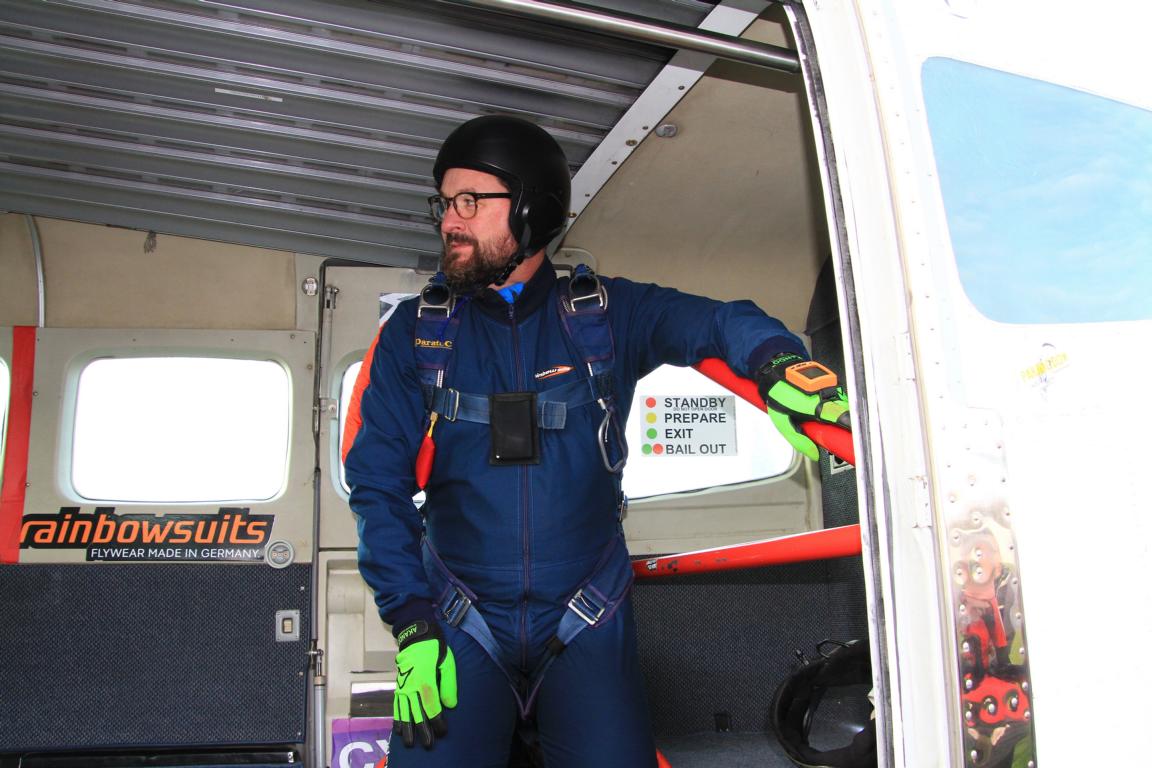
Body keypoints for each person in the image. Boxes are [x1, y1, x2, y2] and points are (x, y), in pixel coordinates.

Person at [344, 115, 850, 768]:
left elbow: (722, 322)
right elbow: (377, 488)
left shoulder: (607, 315)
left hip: (587, 617)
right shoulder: (415, 334)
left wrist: (781, 365)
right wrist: (413, 624)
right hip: (456, 622)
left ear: (531, 208)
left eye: (470, 201)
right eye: (444, 203)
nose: (449, 220)